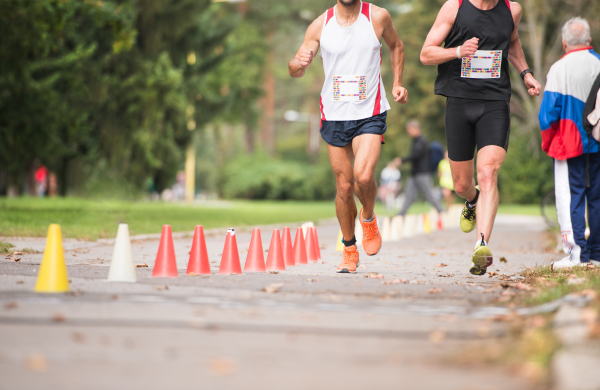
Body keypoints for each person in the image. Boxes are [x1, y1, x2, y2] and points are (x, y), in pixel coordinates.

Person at [420, 0, 541, 276]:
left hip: (495, 101)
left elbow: (512, 43)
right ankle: (472, 200)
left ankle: (481, 245)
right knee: (462, 184)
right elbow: (426, 54)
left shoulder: (513, 10)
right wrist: (458, 51)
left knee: (487, 172)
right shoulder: (455, 7)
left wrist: (526, 73)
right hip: (460, 101)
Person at [289, 0, 408, 273]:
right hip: (333, 114)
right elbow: (295, 67)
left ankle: (368, 218)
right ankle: (349, 249)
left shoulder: (377, 16)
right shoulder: (320, 25)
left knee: (363, 176)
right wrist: (298, 63)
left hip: (370, 111)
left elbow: (397, 46)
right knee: (344, 187)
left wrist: (397, 82)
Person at [538, 17, 600, 269]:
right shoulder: (598, 63)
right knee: (596, 197)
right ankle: (596, 255)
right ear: (590, 41)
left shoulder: (559, 68)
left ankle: (577, 255)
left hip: (571, 142)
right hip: (598, 139)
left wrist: (548, 142)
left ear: (564, 42)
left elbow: (548, 114)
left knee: (573, 196)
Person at [397, 120, 444, 228]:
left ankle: (442, 211)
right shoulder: (415, 140)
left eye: (409, 130)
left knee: (429, 194)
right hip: (415, 174)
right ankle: (401, 214)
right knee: (409, 195)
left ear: (416, 129)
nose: (408, 132)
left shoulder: (421, 141)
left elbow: (415, 156)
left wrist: (401, 160)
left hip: (422, 173)